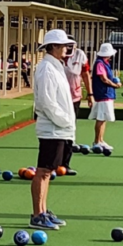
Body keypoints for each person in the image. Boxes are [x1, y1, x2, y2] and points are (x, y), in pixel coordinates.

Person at [30, 29, 76, 231]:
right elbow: (46, 101)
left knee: (48, 172)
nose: (67, 48)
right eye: (64, 45)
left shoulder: (55, 66)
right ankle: (37, 214)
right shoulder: (46, 69)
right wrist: (64, 120)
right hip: (52, 128)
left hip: (60, 128)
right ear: (54, 47)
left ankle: (43, 210)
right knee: (43, 171)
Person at [60, 35, 91, 175]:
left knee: (69, 130)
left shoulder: (80, 55)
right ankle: (53, 164)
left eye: (71, 46)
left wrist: (90, 95)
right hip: (58, 99)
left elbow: (85, 75)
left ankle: (65, 164)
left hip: (74, 98)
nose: (68, 48)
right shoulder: (55, 57)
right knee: (57, 131)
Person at [90, 43, 122, 151]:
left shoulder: (105, 63)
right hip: (103, 94)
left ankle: (100, 140)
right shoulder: (100, 63)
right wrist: (115, 85)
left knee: (103, 119)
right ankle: (96, 141)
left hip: (107, 94)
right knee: (101, 118)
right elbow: (103, 78)